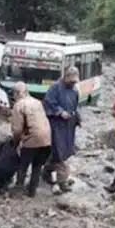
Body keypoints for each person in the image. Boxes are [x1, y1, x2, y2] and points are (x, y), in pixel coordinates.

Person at [43, 66, 81, 194]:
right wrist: (59, 112)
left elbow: (75, 106)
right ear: (65, 77)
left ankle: (48, 173)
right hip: (56, 124)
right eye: (71, 81)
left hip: (68, 126)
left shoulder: (75, 90)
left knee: (65, 150)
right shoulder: (55, 87)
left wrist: (77, 118)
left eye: (75, 82)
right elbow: (48, 102)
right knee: (58, 150)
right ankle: (60, 180)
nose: (73, 84)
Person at [10, 82, 51, 197]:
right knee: (37, 166)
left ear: (17, 93)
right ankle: (32, 191)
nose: (13, 96)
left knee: (23, 165)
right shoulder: (38, 102)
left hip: (32, 139)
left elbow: (17, 129)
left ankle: (18, 190)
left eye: (14, 93)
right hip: (47, 139)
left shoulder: (19, 105)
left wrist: (15, 142)